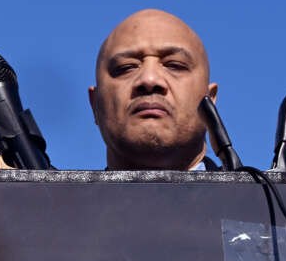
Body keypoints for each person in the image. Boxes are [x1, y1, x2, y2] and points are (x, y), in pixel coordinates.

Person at [89, 9, 220, 170]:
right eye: (126, 67)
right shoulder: (55, 195)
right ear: (95, 104)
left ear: (210, 101)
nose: (149, 79)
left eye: (175, 65)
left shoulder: (258, 195)